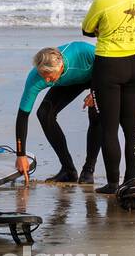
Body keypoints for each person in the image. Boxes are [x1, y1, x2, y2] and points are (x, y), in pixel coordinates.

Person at [82, 0, 135, 194]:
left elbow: (87, 29)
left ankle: (112, 183)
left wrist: (105, 30)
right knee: (132, 127)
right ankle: (130, 181)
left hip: (109, 66)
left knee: (109, 128)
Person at [14, 42, 100, 185]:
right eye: (43, 75)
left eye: (48, 76)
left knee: (96, 113)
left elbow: (109, 68)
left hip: (97, 76)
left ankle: (88, 170)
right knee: (44, 113)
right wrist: (20, 154)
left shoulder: (83, 52)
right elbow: (22, 115)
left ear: (60, 67)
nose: (46, 80)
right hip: (68, 82)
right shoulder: (36, 77)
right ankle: (68, 169)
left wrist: (97, 93)